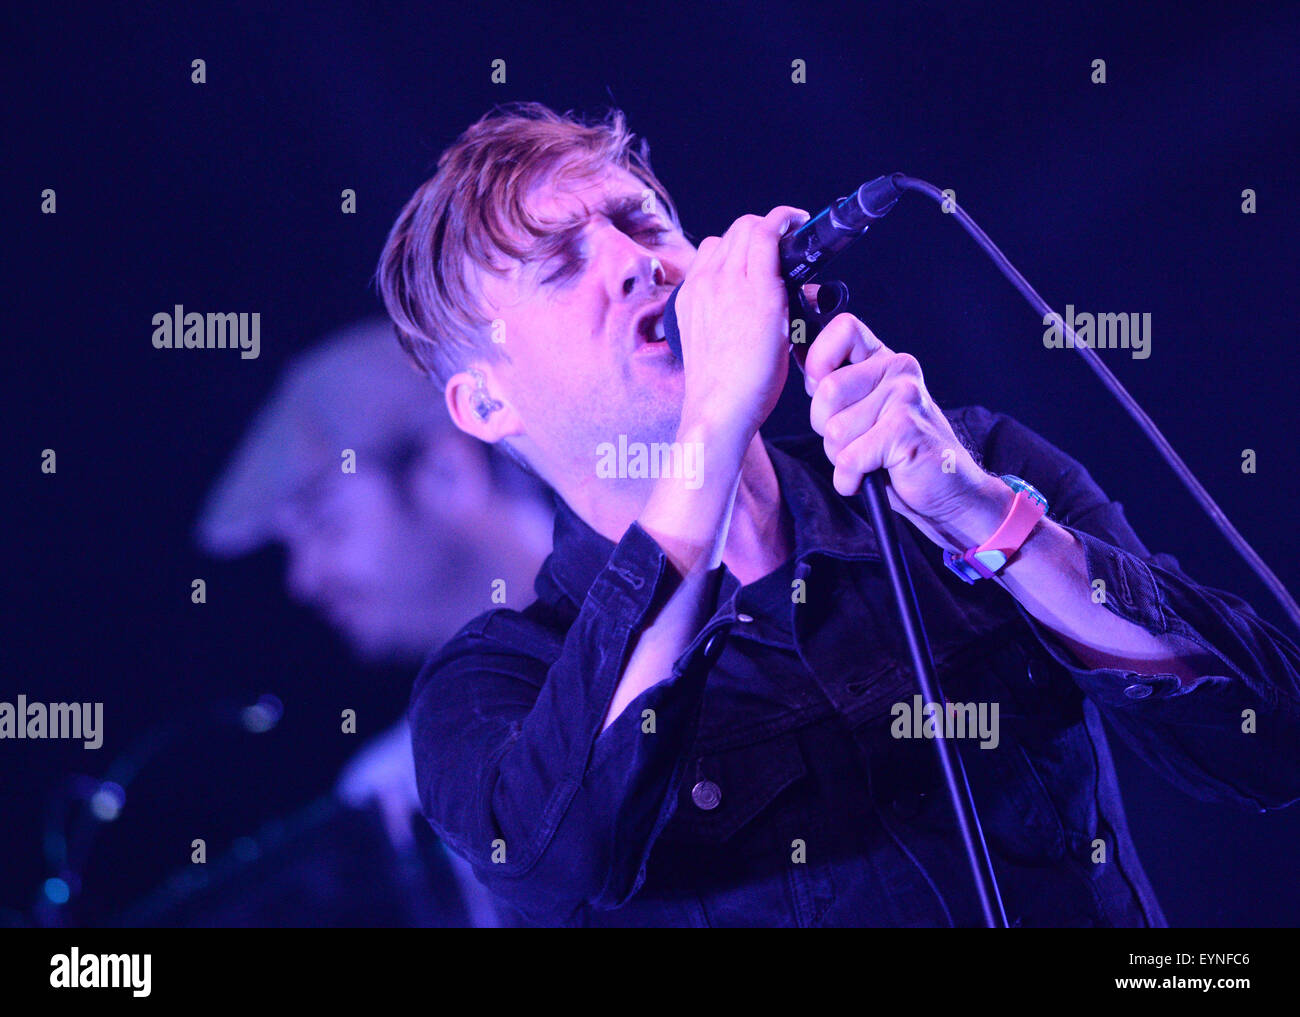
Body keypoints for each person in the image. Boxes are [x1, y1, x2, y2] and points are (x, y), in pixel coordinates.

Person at [377, 103, 1300, 927]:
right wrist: (714, 416)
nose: (630, 262)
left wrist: (988, 520)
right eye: (559, 262)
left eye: (638, 220)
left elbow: (1271, 737)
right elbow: (560, 857)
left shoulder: (967, 464)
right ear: (486, 404)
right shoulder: (493, 684)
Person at [169, 319, 551, 927]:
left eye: (325, 523)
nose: (303, 579)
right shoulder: (396, 794)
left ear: (444, 470)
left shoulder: (699, 590)